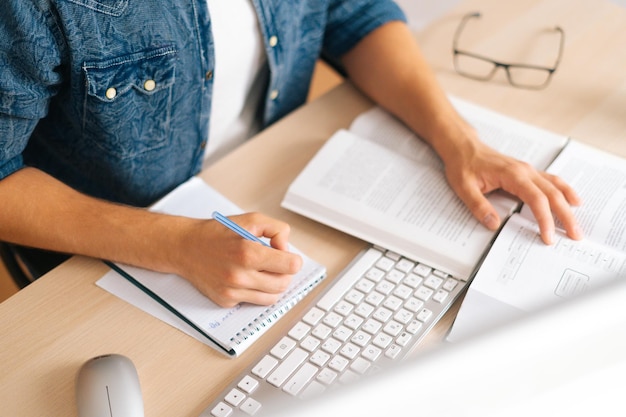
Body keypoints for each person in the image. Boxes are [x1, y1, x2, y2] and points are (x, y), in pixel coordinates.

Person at [0, 0, 581, 308]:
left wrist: (460, 140)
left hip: (272, 189)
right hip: (109, 252)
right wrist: (175, 244)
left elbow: (354, 14)